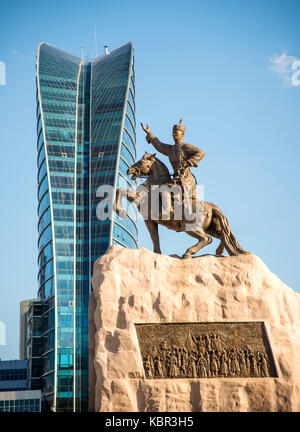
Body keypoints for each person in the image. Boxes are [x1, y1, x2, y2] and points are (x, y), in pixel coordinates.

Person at [140, 120, 205, 219]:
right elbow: (159, 145)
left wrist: (188, 162)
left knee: (164, 188)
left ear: (182, 134)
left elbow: (201, 152)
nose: (174, 134)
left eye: (176, 132)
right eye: (173, 133)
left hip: (185, 177)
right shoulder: (171, 149)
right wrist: (149, 133)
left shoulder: (185, 147)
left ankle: (168, 210)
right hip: (175, 177)